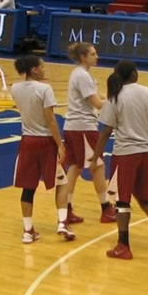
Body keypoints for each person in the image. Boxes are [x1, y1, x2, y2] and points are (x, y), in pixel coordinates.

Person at [96, 61, 148, 260]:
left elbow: (106, 131)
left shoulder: (115, 97)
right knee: (145, 197)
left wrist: (96, 155)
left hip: (126, 154)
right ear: (135, 74)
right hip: (147, 151)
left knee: (122, 201)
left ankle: (123, 245)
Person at [10, 54, 73, 243]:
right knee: (61, 182)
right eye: (42, 67)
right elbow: (50, 119)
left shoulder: (15, 88)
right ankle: (62, 222)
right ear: (34, 70)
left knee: (28, 187)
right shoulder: (45, 89)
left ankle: (28, 231)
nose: (45, 70)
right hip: (45, 141)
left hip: (27, 140)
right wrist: (60, 144)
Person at [63, 42, 116, 226]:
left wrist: (113, 97)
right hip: (83, 127)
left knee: (75, 167)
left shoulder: (81, 74)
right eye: (93, 53)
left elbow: (100, 97)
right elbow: (98, 104)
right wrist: (118, 103)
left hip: (73, 126)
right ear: (83, 57)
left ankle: (66, 209)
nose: (97, 56)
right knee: (98, 166)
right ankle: (105, 209)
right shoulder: (82, 76)